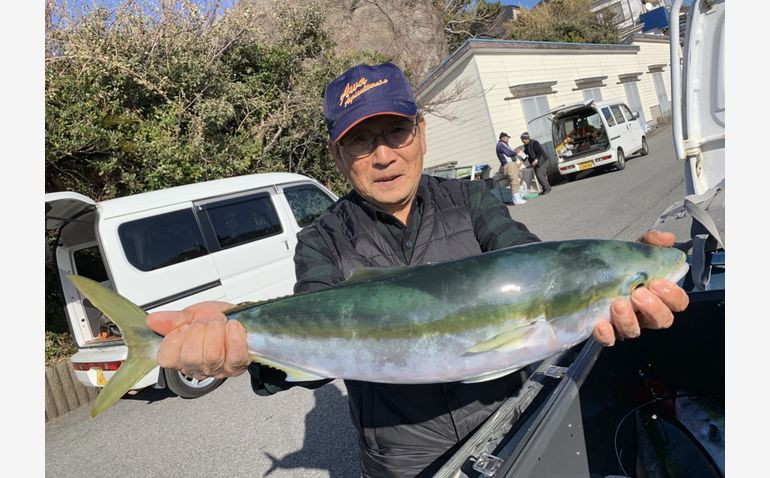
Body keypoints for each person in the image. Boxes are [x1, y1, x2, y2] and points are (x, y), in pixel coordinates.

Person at [146, 62, 690, 478]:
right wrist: (240, 345)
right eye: (361, 140)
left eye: (396, 131)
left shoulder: (473, 202)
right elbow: (316, 339)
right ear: (339, 157)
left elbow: (529, 262)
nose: (383, 155)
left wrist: (616, 271)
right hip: (404, 462)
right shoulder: (322, 242)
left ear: (421, 134)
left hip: (516, 425)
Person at [495, 132, 526, 205]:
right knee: (514, 181)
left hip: (510, 165)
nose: (508, 140)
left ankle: (515, 199)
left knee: (513, 181)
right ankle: (517, 199)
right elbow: (509, 153)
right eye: (507, 138)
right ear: (504, 138)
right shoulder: (501, 144)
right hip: (509, 165)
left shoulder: (503, 144)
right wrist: (516, 151)